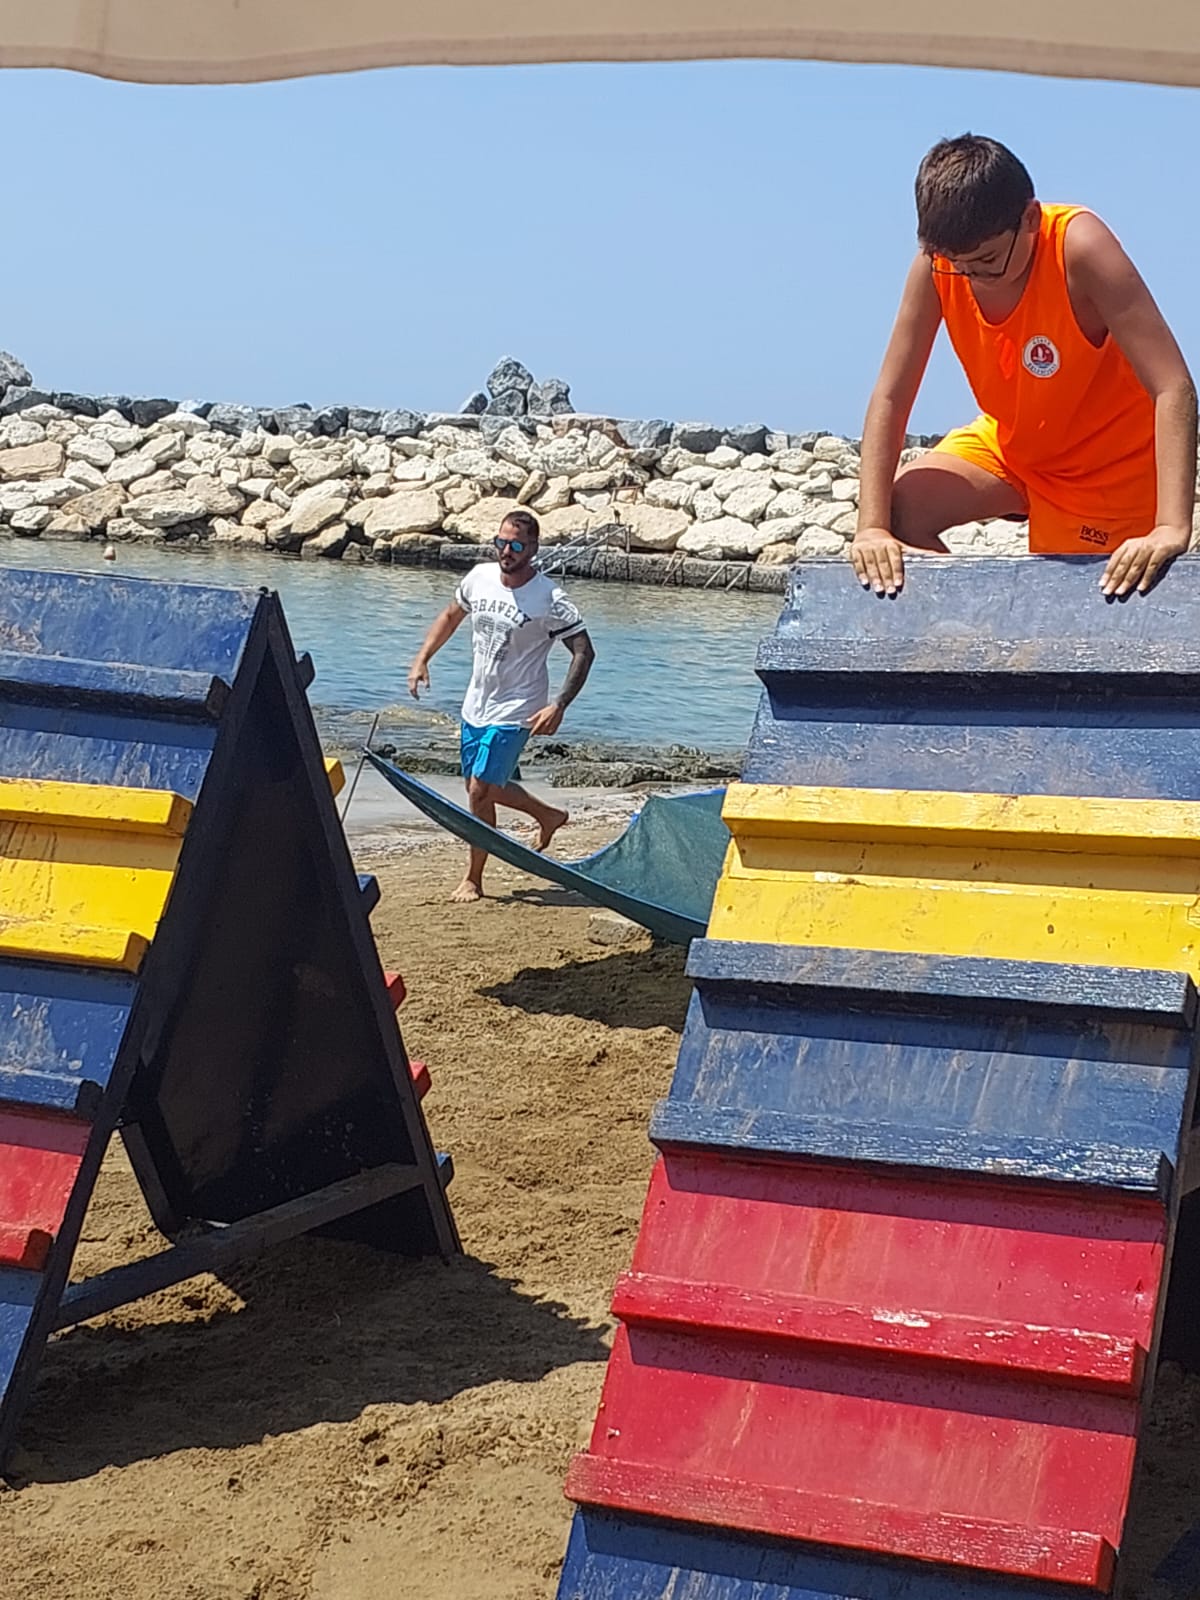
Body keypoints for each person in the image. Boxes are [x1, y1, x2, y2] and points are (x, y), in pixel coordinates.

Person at [850, 134, 1196, 599]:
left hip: (1106, 470)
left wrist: (1170, 527)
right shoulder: (936, 267)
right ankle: (965, 631)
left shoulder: (1080, 248)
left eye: (987, 260)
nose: (972, 276)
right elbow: (891, 396)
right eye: (957, 263)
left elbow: (1173, 386)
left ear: (1030, 219)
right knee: (899, 510)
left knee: (1076, 602)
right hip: (1012, 446)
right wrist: (870, 527)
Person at [408, 509, 596, 903]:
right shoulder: (479, 577)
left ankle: (473, 878)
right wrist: (422, 659)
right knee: (480, 788)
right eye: (501, 543)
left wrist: (559, 705)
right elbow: (450, 616)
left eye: (516, 546)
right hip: (476, 703)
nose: (506, 552)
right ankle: (548, 815)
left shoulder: (550, 598)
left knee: (480, 790)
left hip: (519, 707)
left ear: (533, 548)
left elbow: (583, 651)